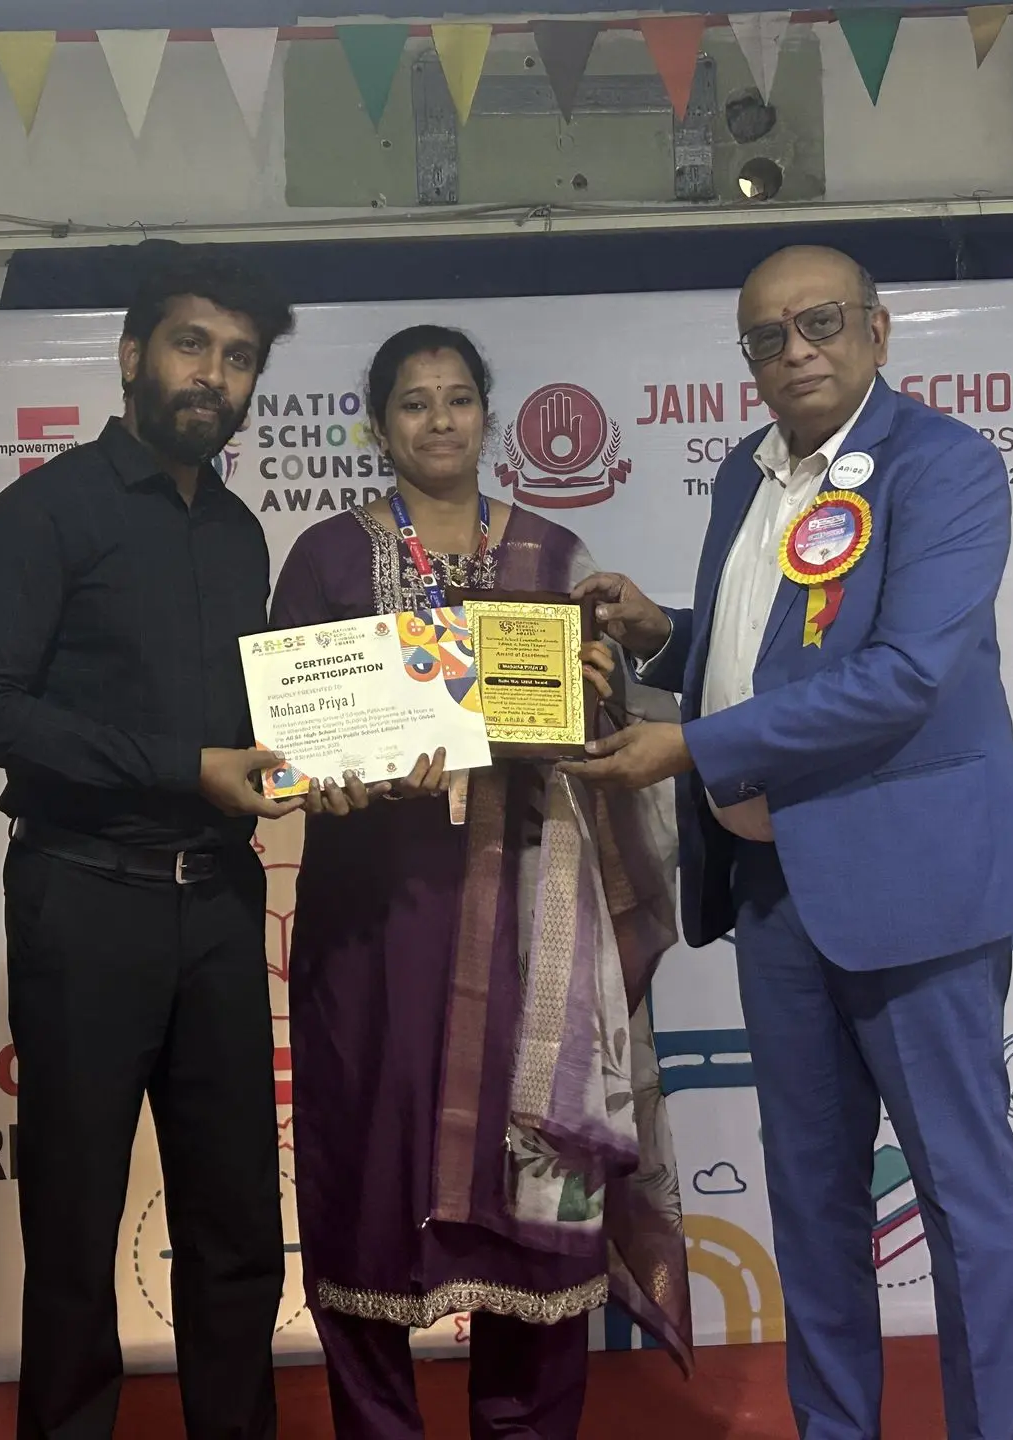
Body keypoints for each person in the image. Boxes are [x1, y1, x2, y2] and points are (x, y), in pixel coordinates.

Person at [565, 246, 1013, 1440]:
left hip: (918, 891)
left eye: (820, 323)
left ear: (877, 333)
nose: (794, 352)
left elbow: (902, 676)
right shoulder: (748, 474)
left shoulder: (943, 466)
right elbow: (776, 656)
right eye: (766, 337)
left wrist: (688, 747)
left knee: (963, 1202)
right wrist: (664, 638)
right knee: (811, 1199)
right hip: (775, 886)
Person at [270, 324, 693, 1440]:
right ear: (379, 425)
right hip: (375, 915)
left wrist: (599, 686)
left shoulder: (552, 553)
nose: (440, 420)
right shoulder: (325, 557)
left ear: (487, 415)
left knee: (535, 1159)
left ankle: (529, 1424)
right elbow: (292, 735)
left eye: (458, 398)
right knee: (371, 1156)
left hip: (532, 910)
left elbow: (597, 732)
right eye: (414, 403)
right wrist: (327, 778)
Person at [0, 244, 299, 1440]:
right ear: (134, 354)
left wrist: (321, 761)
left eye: (239, 358)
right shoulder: (45, 513)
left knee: (238, 1220)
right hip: (83, 898)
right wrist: (178, 766)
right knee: (76, 1223)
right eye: (193, 345)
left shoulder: (238, 532)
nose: (214, 375)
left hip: (220, 902)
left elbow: (248, 727)